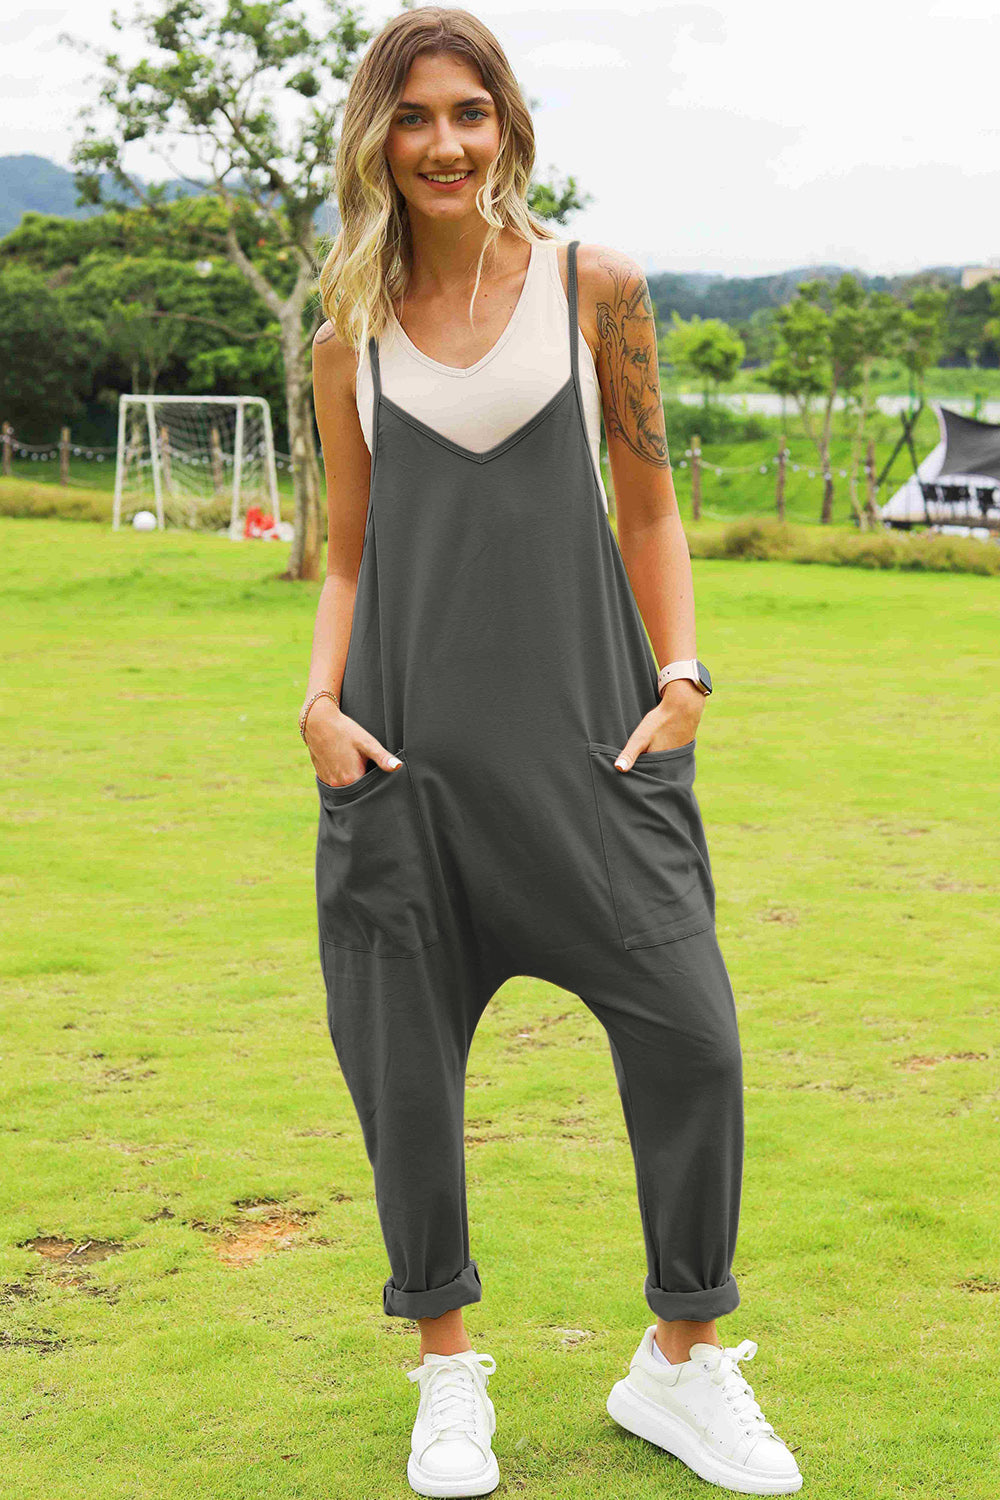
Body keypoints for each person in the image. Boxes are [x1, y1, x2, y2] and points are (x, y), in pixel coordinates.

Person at [302, 8, 802, 1497]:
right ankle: (447, 1376)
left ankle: (680, 1364)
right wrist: (319, 710)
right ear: (378, 141)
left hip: (598, 754)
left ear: (509, 127)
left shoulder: (603, 290)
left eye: (471, 112)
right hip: (401, 772)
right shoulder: (350, 333)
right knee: (405, 1080)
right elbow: (346, 555)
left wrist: (684, 680)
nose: (445, 142)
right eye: (414, 117)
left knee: (695, 1040)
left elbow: (649, 510)